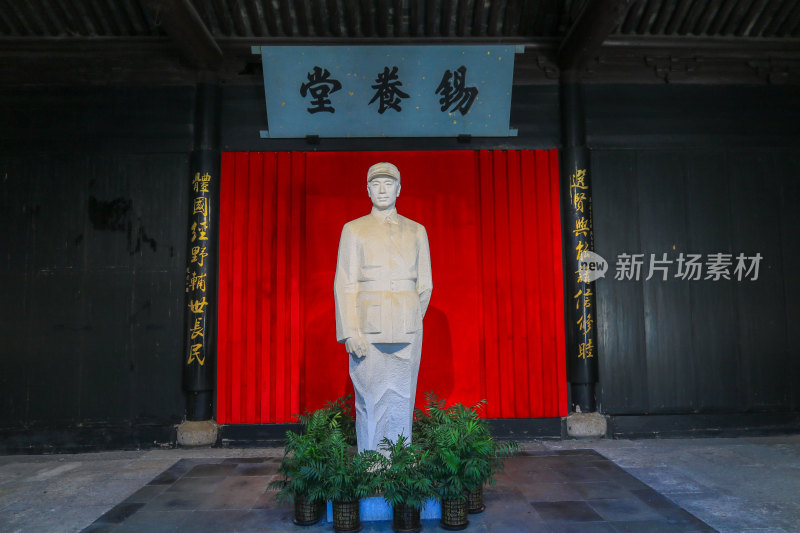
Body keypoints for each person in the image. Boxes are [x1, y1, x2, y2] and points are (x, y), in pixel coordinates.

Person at [334, 162, 432, 452]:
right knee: (370, 398)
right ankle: (371, 461)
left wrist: (410, 316)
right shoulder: (353, 230)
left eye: (388, 184)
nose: (382, 190)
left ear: (399, 189)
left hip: (407, 329)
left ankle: (400, 458)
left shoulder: (417, 231)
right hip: (367, 330)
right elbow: (345, 283)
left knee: (403, 397)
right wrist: (350, 331)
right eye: (375, 184)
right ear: (367, 190)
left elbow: (424, 285)